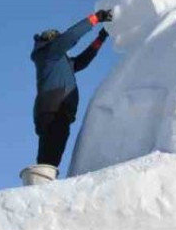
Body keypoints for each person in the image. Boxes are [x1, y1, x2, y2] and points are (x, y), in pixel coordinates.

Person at [30, 10, 114, 176]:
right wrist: (96, 18)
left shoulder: (59, 62)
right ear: (50, 40)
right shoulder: (48, 53)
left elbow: (83, 61)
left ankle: (43, 180)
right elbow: (70, 37)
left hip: (59, 111)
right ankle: (40, 182)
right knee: (50, 153)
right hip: (54, 109)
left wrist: (101, 38)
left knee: (53, 153)